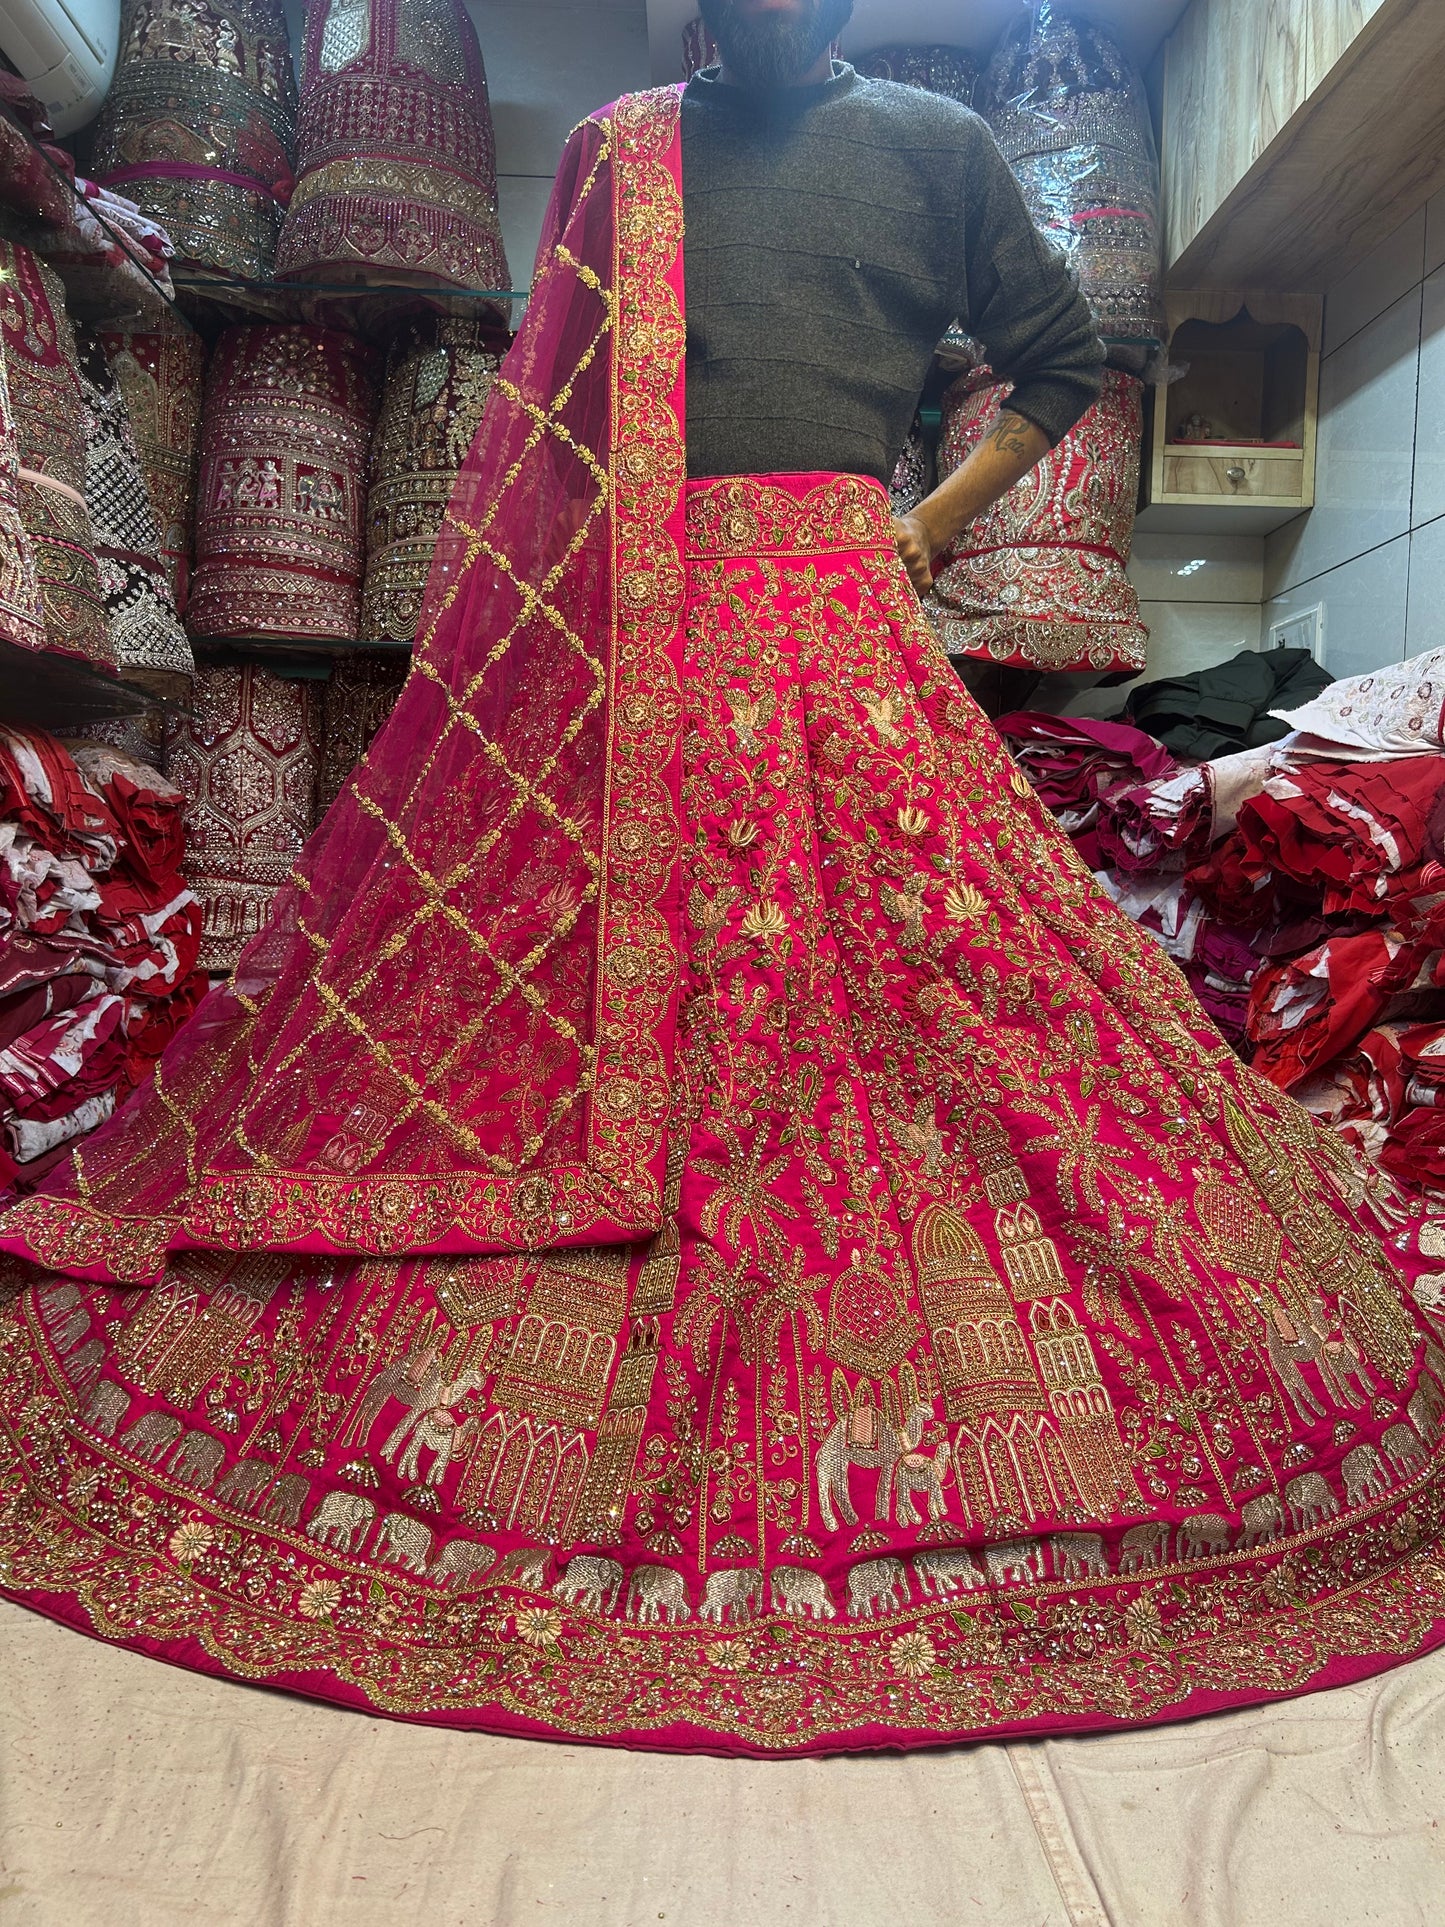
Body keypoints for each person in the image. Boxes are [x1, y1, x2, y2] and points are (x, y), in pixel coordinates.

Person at [0, 0, 1444, 1758]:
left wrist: (925, 522)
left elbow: (1064, 361)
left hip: (841, 618)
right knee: (576, 958)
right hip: (630, 632)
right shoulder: (617, 148)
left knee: (948, 992)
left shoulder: (936, 144)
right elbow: (554, 442)